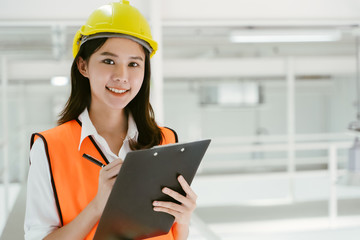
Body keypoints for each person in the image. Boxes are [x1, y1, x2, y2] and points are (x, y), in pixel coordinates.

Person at [24, 1, 197, 239]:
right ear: (83, 66)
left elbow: (175, 236)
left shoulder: (166, 140)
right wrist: (97, 206)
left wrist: (184, 220)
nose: (122, 77)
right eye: (108, 61)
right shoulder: (50, 147)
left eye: (134, 64)